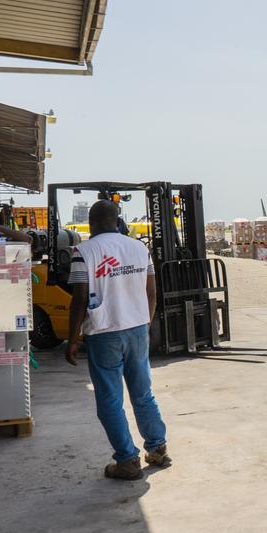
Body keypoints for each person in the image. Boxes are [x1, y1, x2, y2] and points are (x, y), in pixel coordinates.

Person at [65, 200, 171, 480]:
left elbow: (78, 299)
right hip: (137, 328)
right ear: (117, 221)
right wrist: (145, 323)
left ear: (92, 222)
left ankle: (127, 460)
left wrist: (72, 338)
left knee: (110, 400)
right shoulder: (139, 248)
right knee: (142, 392)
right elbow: (152, 292)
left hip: (103, 333)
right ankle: (157, 448)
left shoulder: (84, 251)